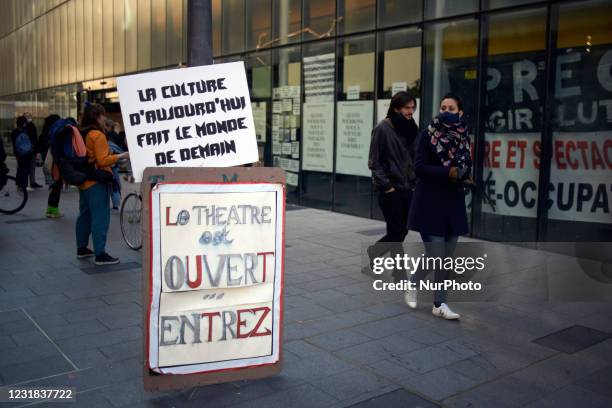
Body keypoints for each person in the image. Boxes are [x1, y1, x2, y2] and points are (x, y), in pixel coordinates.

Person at [406, 93, 472, 320]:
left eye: (451, 108)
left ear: (460, 112)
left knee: (443, 255)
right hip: (429, 202)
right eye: (443, 107)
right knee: (438, 256)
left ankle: (414, 284)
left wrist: (465, 176)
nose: (445, 111)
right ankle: (440, 303)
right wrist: (449, 172)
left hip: (452, 203)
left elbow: (466, 164)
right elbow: (419, 167)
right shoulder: (428, 134)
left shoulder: (463, 137)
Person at [366, 92, 419, 282]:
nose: (410, 111)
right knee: (397, 230)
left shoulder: (411, 128)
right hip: (389, 189)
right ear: (396, 108)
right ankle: (399, 273)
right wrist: (387, 187)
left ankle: (375, 252)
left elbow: (413, 158)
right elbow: (374, 162)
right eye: (407, 108)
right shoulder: (382, 128)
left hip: (407, 188)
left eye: (413, 107)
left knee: (401, 230)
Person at [76, 103, 129, 265]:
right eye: (103, 115)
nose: (105, 118)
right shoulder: (97, 135)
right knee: (100, 217)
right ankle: (100, 254)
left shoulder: (81, 132)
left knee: (84, 215)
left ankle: (82, 248)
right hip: (96, 181)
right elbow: (102, 160)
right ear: (97, 116)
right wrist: (121, 156)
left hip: (83, 180)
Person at [40, 114, 63, 218]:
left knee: (53, 187)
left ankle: (50, 209)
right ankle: (54, 211)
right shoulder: (53, 134)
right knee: (57, 187)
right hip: (54, 164)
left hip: (47, 164)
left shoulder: (44, 134)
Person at [11, 116, 34, 191]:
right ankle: (24, 185)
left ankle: (19, 184)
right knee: (25, 169)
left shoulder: (14, 132)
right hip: (26, 153)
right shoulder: (26, 131)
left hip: (18, 152)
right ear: (24, 123)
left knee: (20, 168)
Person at [24, 113, 43, 188]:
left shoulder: (29, 126)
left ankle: (31, 182)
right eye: (27, 116)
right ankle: (29, 182)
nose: (29, 118)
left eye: (29, 116)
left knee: (31, 166)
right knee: (29, 166)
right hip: (30, 149)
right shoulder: (28, 126)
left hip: (31, 149)